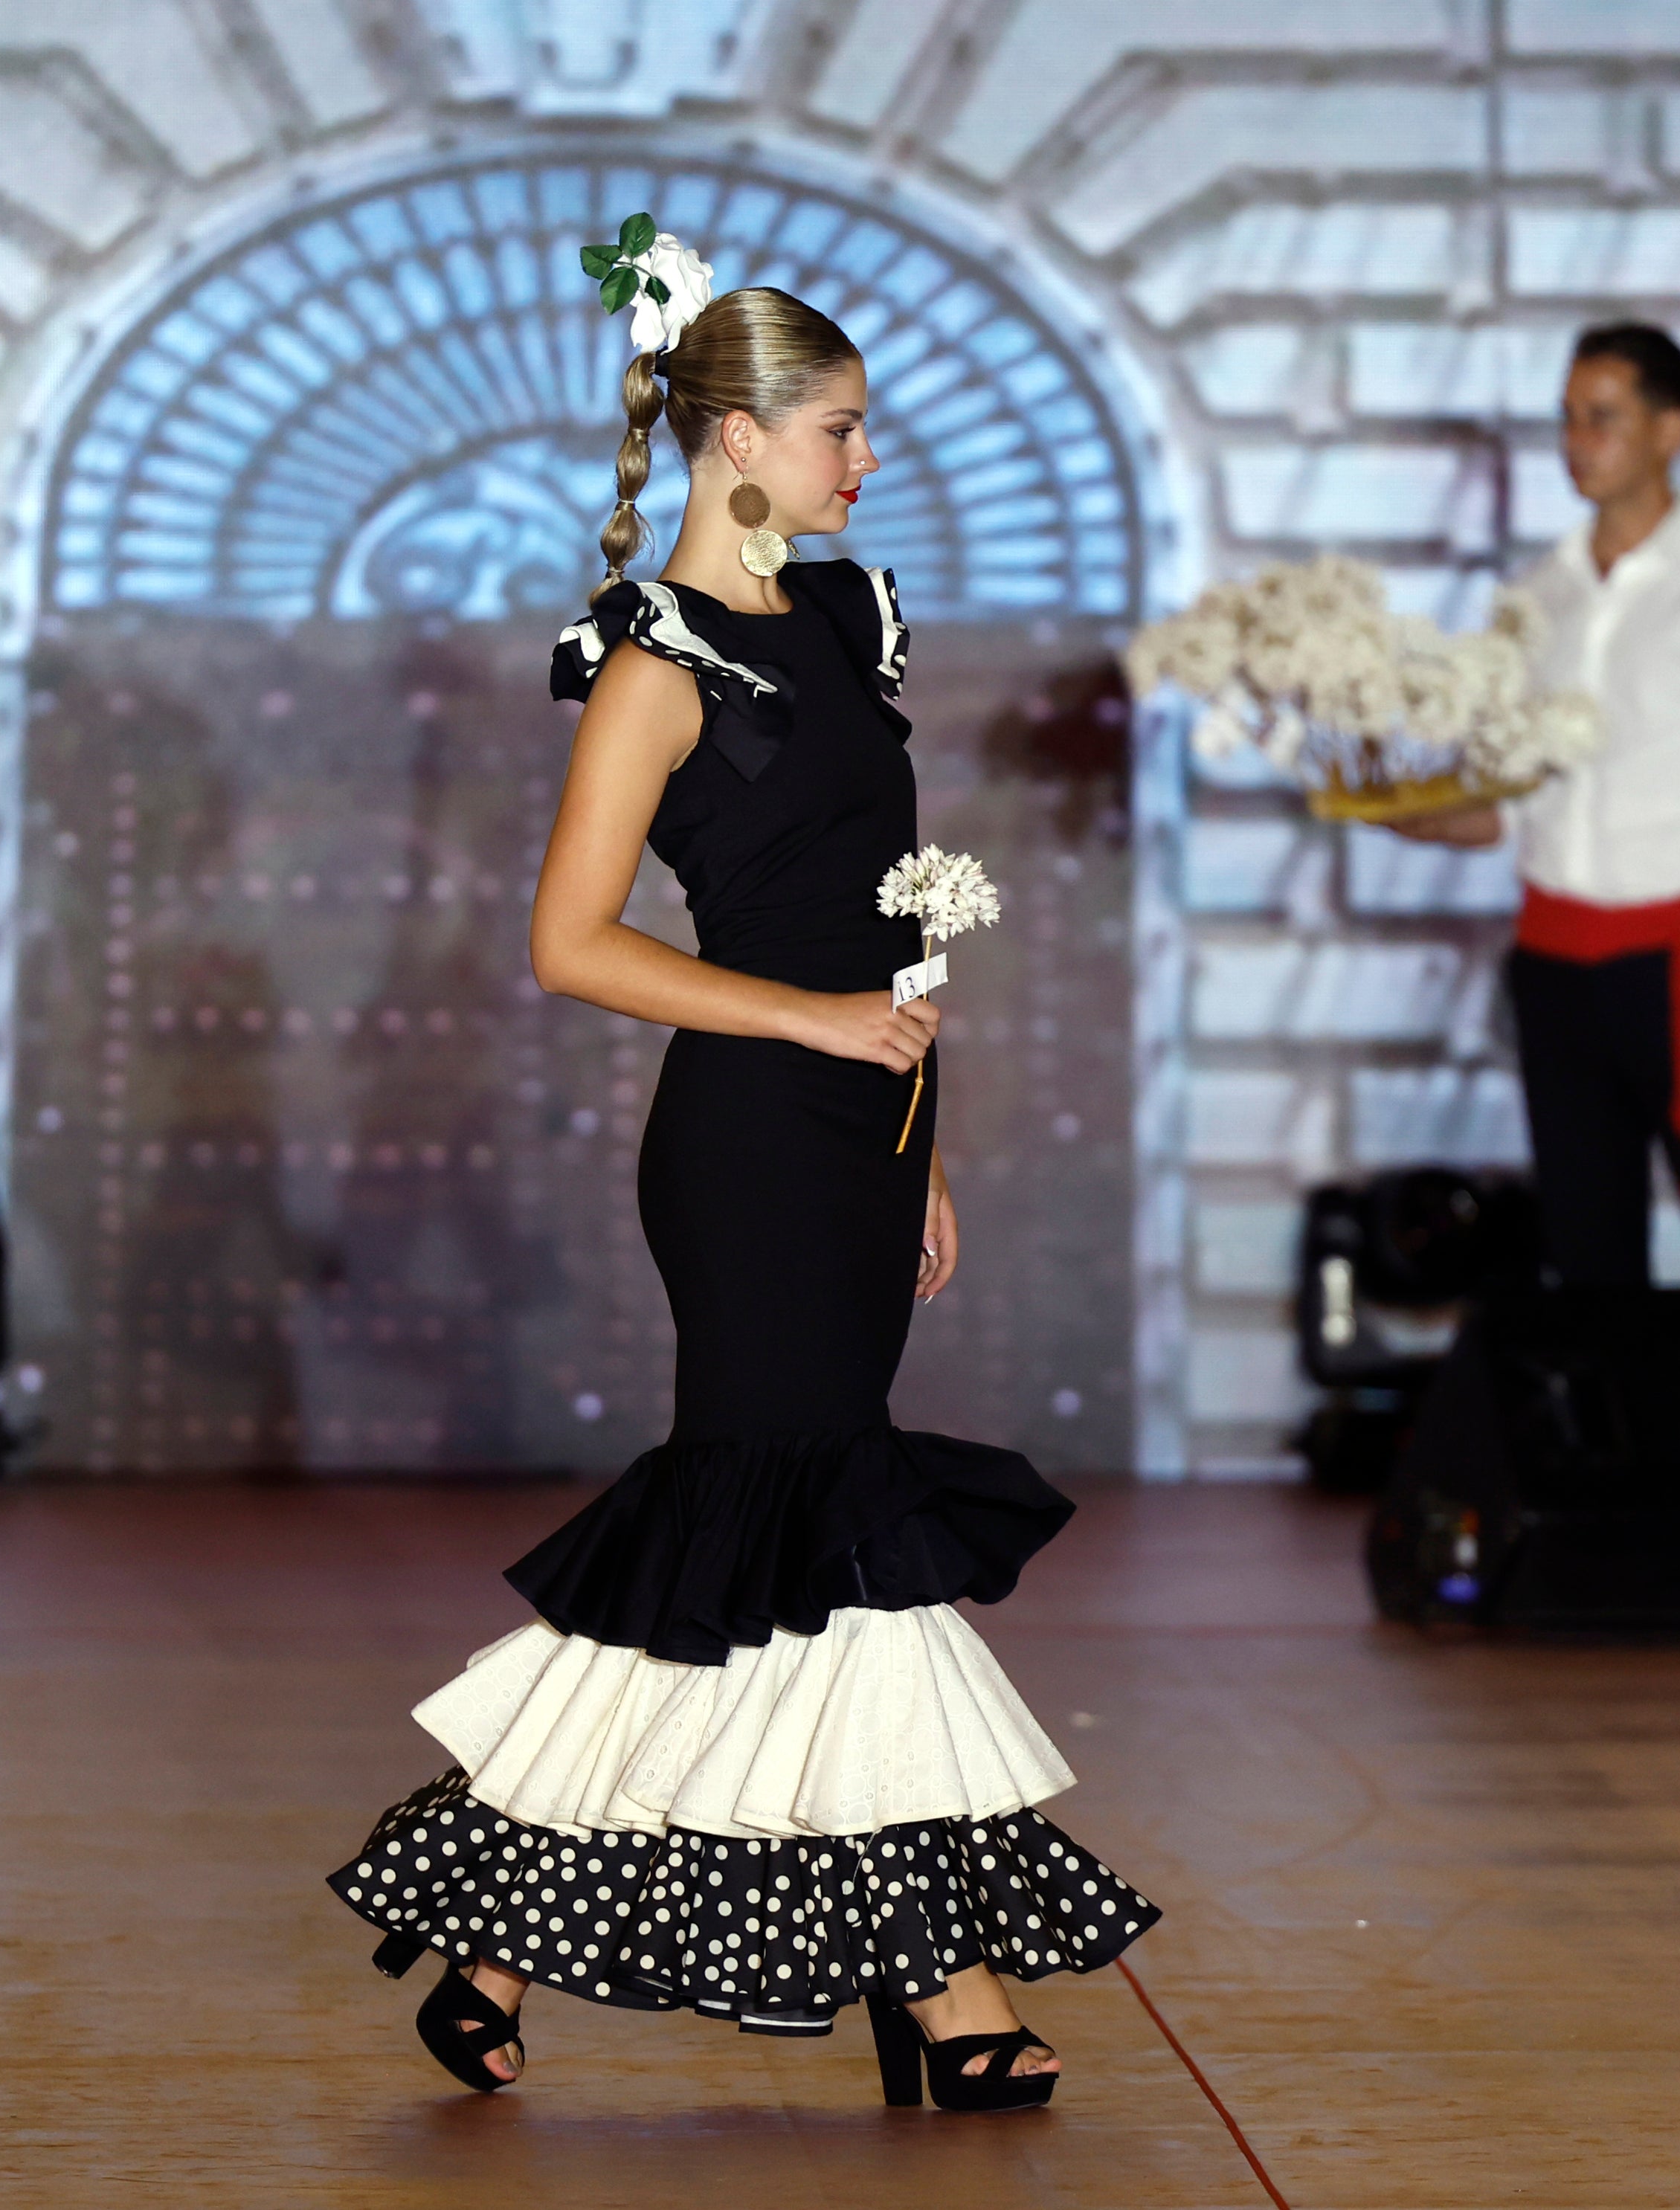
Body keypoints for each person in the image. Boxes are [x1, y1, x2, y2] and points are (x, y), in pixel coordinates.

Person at [325, 231, 1153, 2113]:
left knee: (776, 1544)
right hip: (751, 1145)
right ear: (732, 442)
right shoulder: (650, 664)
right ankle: (936, 1986)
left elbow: (885, 924)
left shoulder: (852, 617)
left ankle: (495, 1937)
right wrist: (816, 1030)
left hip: (862, 1135)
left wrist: (922, 1137)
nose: (869, 461)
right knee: (813, 1528)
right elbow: (572, 943)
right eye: (841, 428)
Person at [1394, 323, 1680, 1480]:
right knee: (1587, 1251)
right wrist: (1397, 807)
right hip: (1557, 966)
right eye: (1568, 415)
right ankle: (1618, 1505)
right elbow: (1508, 804)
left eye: (1603, 416)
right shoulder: (1536, 595)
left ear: (1671, 430)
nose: (1578, 441)